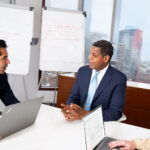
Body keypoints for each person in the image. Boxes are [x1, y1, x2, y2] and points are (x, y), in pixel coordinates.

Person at [61, 40, 127, 121]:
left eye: (94, 55)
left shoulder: (118, 79)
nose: (89, 57)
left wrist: (85, 114)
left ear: (106, 58)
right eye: (90, 53)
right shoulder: (83, 71)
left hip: (99, 123)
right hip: (77, 120)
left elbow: (115, 112)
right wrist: (70, 109)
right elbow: (74, 96)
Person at [0, 39, 19, 106]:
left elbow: (11, 101)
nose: (8, 62)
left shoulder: (2, 77)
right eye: (4, 58)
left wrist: (24, 111)